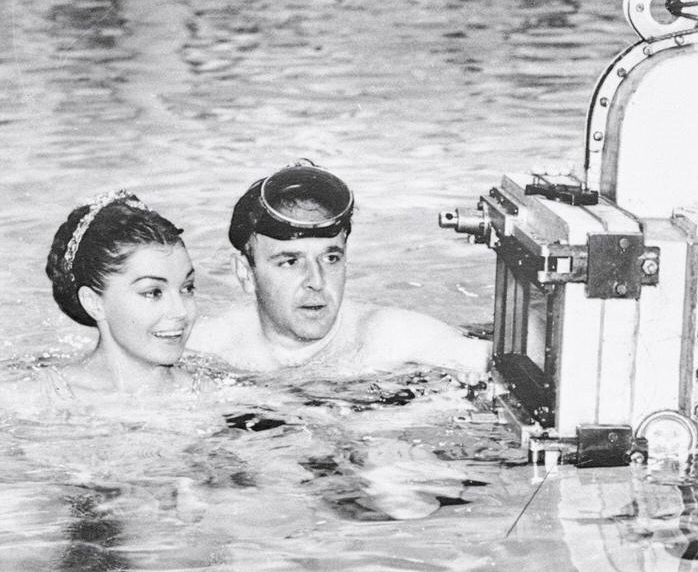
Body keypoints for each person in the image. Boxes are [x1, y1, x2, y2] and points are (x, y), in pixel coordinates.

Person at [187, 160, 489, 379]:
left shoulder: (391, 339)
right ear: (246, 273)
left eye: (330, 258)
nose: (316, 281)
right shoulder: (204, 349)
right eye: (290, 262)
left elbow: (518, 372)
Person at [41, 191, 199, 397]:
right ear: (94, 303)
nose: (180, 312)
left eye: (187, 288)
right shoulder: (42, 396)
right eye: (153, 292)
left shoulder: (221, 394)